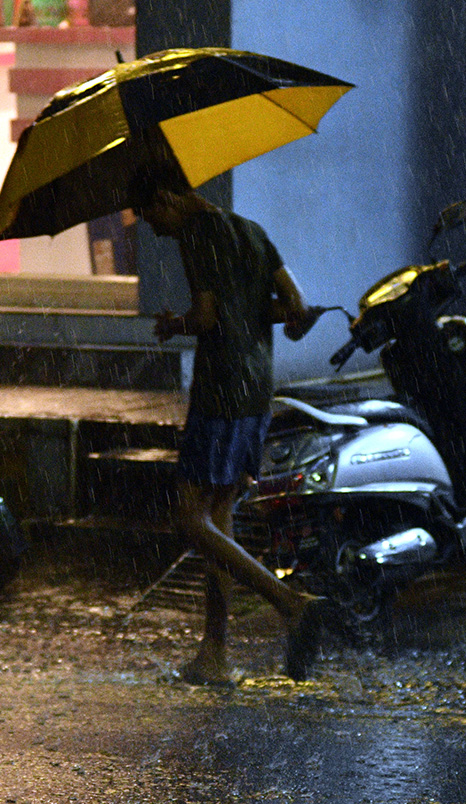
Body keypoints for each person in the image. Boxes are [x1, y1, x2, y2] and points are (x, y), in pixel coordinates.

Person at [132, 165, 331, 684]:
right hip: (257, 387)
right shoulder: (251, 230)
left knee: (189, 517)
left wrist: (175, 324)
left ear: (168, 197)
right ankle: (214, 655)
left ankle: (290, 602)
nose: (151, 227)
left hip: (220, 390)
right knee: (220, 520)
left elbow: (206, 318)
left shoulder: (199, 235)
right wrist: (255, 311)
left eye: (148, 214)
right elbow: (295, 305)